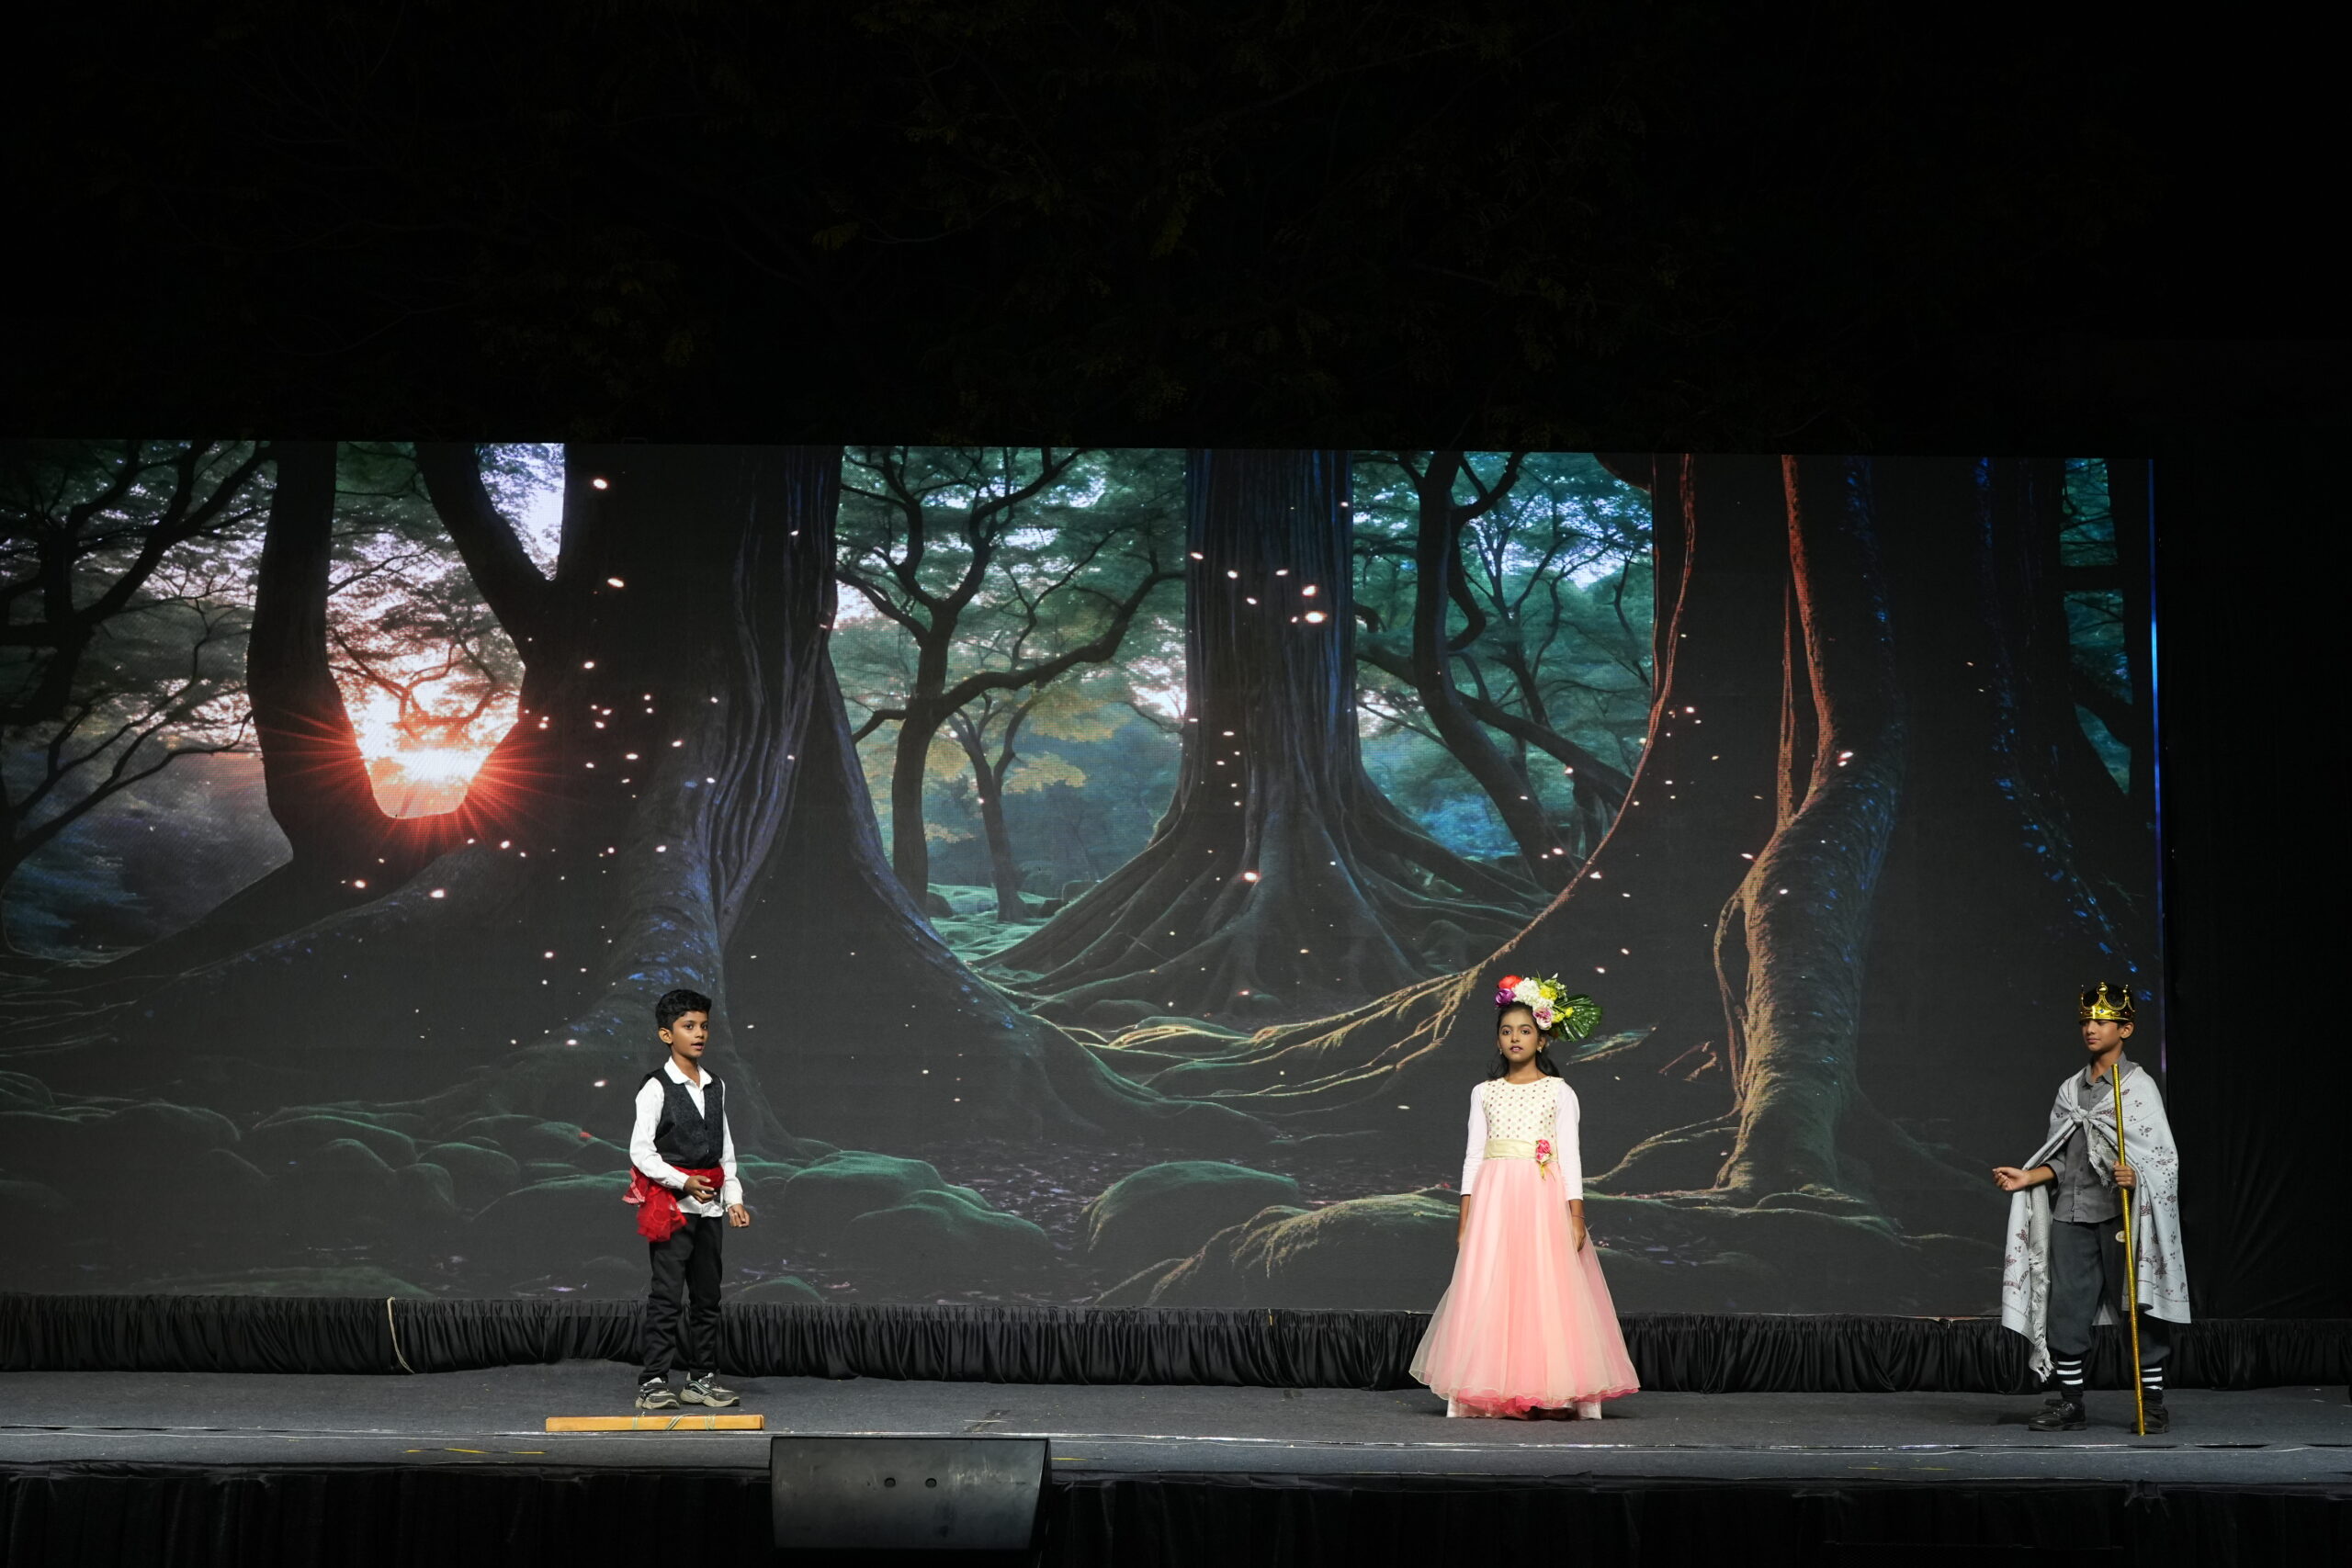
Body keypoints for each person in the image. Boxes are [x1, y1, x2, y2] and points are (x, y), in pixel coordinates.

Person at [1409, 973, 1640, 1419]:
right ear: (1498, 1041)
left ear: (1542, 1039)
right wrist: (1465, 1217)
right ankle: (1487, 1388)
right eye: (1506, 1031)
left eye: (1525, 1030)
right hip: (1494, 1200)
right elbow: (1473, 1156)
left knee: (1544, 1287)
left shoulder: (1558, 1091)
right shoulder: (1484, 1093)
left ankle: (1553, 1388)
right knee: (1490, 1284)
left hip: (1541, 1198)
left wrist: (1576, 1216)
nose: (1515, 1038)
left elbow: (1570, 1157)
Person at [1995, 982, 2189, 1433]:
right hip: (2072, 1214)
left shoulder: (2138, 1088)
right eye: (2086, 1021)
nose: (2091, 1028)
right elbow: (2063, 1157)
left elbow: (2162, 1159)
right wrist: (2029, 1176)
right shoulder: (2070, 1090)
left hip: (2124, 1217)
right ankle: (2070, 1403)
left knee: (2138, 1307)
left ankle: (2152, 1402)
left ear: (2126, 1029)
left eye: (2102, 1021)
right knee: (2066, 1307)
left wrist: (2137, 1177)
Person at [626, 987, 752, 1411]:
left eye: (704, 1026)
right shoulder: (656, 1087)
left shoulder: (715, 1085)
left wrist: (732, 1198)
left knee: (707, 1297)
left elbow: (724, 1150)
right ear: (667, 1034)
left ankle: (701, 1379)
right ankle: (653, 1381)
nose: (699, 1034)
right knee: (667, 1296)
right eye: (688, 1026)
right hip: (673, 1208)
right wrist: (683, 1181)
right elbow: (641, 1152)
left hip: (710, 1207)